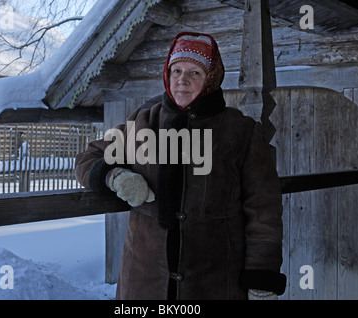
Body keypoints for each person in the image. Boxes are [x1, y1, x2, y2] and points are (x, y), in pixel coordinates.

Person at [75, 32, 286, 300]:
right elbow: (87, 158)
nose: (182, 80)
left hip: (215, 279)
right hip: (144, 280)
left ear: (212, 77)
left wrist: (262, 277)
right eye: (176, 70)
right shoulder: (142, 123)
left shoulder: (241, 132)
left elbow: (263, 208)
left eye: (195, 72)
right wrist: (115, 177)